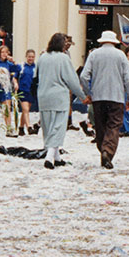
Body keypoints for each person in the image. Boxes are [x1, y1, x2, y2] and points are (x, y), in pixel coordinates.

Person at [80, 30, 129, 169]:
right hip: (116, 97)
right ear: (114, 42)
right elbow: (128, 78)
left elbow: (84, 76)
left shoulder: (94, 54)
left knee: (100, 126)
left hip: (98, 97)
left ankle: (103, 150)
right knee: (114, 125)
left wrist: (88, 93)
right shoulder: (120, 55)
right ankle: (107, 151)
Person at [36, 33, 88, 169]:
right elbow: (72, 80)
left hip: (43, 96)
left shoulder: (42, 57)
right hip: (59, 96)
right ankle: (49, 157)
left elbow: (36, 76)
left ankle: (57, 157)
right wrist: (82, 96)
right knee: (58, 127)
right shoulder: (64, 58)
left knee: (48, 126)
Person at [0, 45, 21, 135]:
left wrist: (13, 61)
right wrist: (0, 71)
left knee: (7, 109)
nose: (4, 54)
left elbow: (19, 69)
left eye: (6, 52)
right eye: (2, 52)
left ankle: (8, 129)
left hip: (5, 89)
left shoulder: (9, 64)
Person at [17, 49, 38, 136]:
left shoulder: (36, 68)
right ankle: (29, 127)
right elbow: (15, 76)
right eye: (29, 57)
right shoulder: (21, 66)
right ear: (26, 57)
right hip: (23, 90)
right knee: (26, 109)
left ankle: (21, 128)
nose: (31, 58)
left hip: (31, 90)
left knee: (25, 110)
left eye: (32, 57)